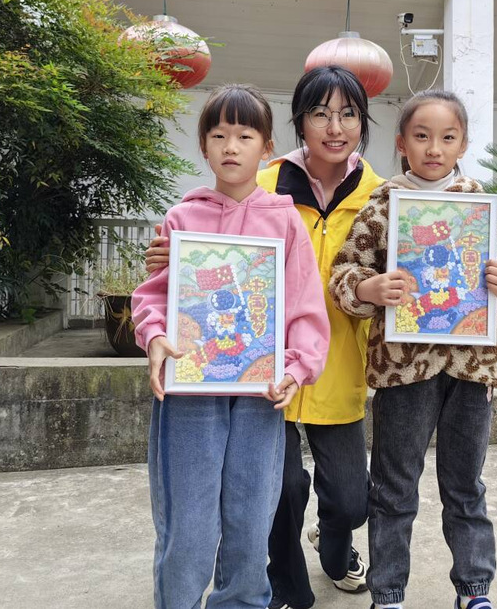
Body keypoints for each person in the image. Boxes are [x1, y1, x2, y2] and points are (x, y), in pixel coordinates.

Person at [144, 66, 384, 609]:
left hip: (273, 388)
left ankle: (250, 596)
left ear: (265, 146)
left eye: (245, 136)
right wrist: (155, 334)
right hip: (192, 391)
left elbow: (305, 303)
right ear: (204, 146)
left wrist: (297, 364)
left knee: (258, 513)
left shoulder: (327, 209)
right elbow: (157, 294)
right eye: (219, 135)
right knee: (195, 520)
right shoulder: (186, 216)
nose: (232, 147)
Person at [328, 90, 497, 609]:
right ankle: (388, 593)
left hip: (473, 369)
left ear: (463, 144)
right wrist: (369, 288)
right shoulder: (384, 205)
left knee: (465, 485)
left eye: (447, 137)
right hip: (403, 370)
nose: (434, 148)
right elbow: (343, 273)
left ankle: (474, 589)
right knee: (394, 487)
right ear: (402, 143)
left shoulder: (483, 206)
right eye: (421, 136)